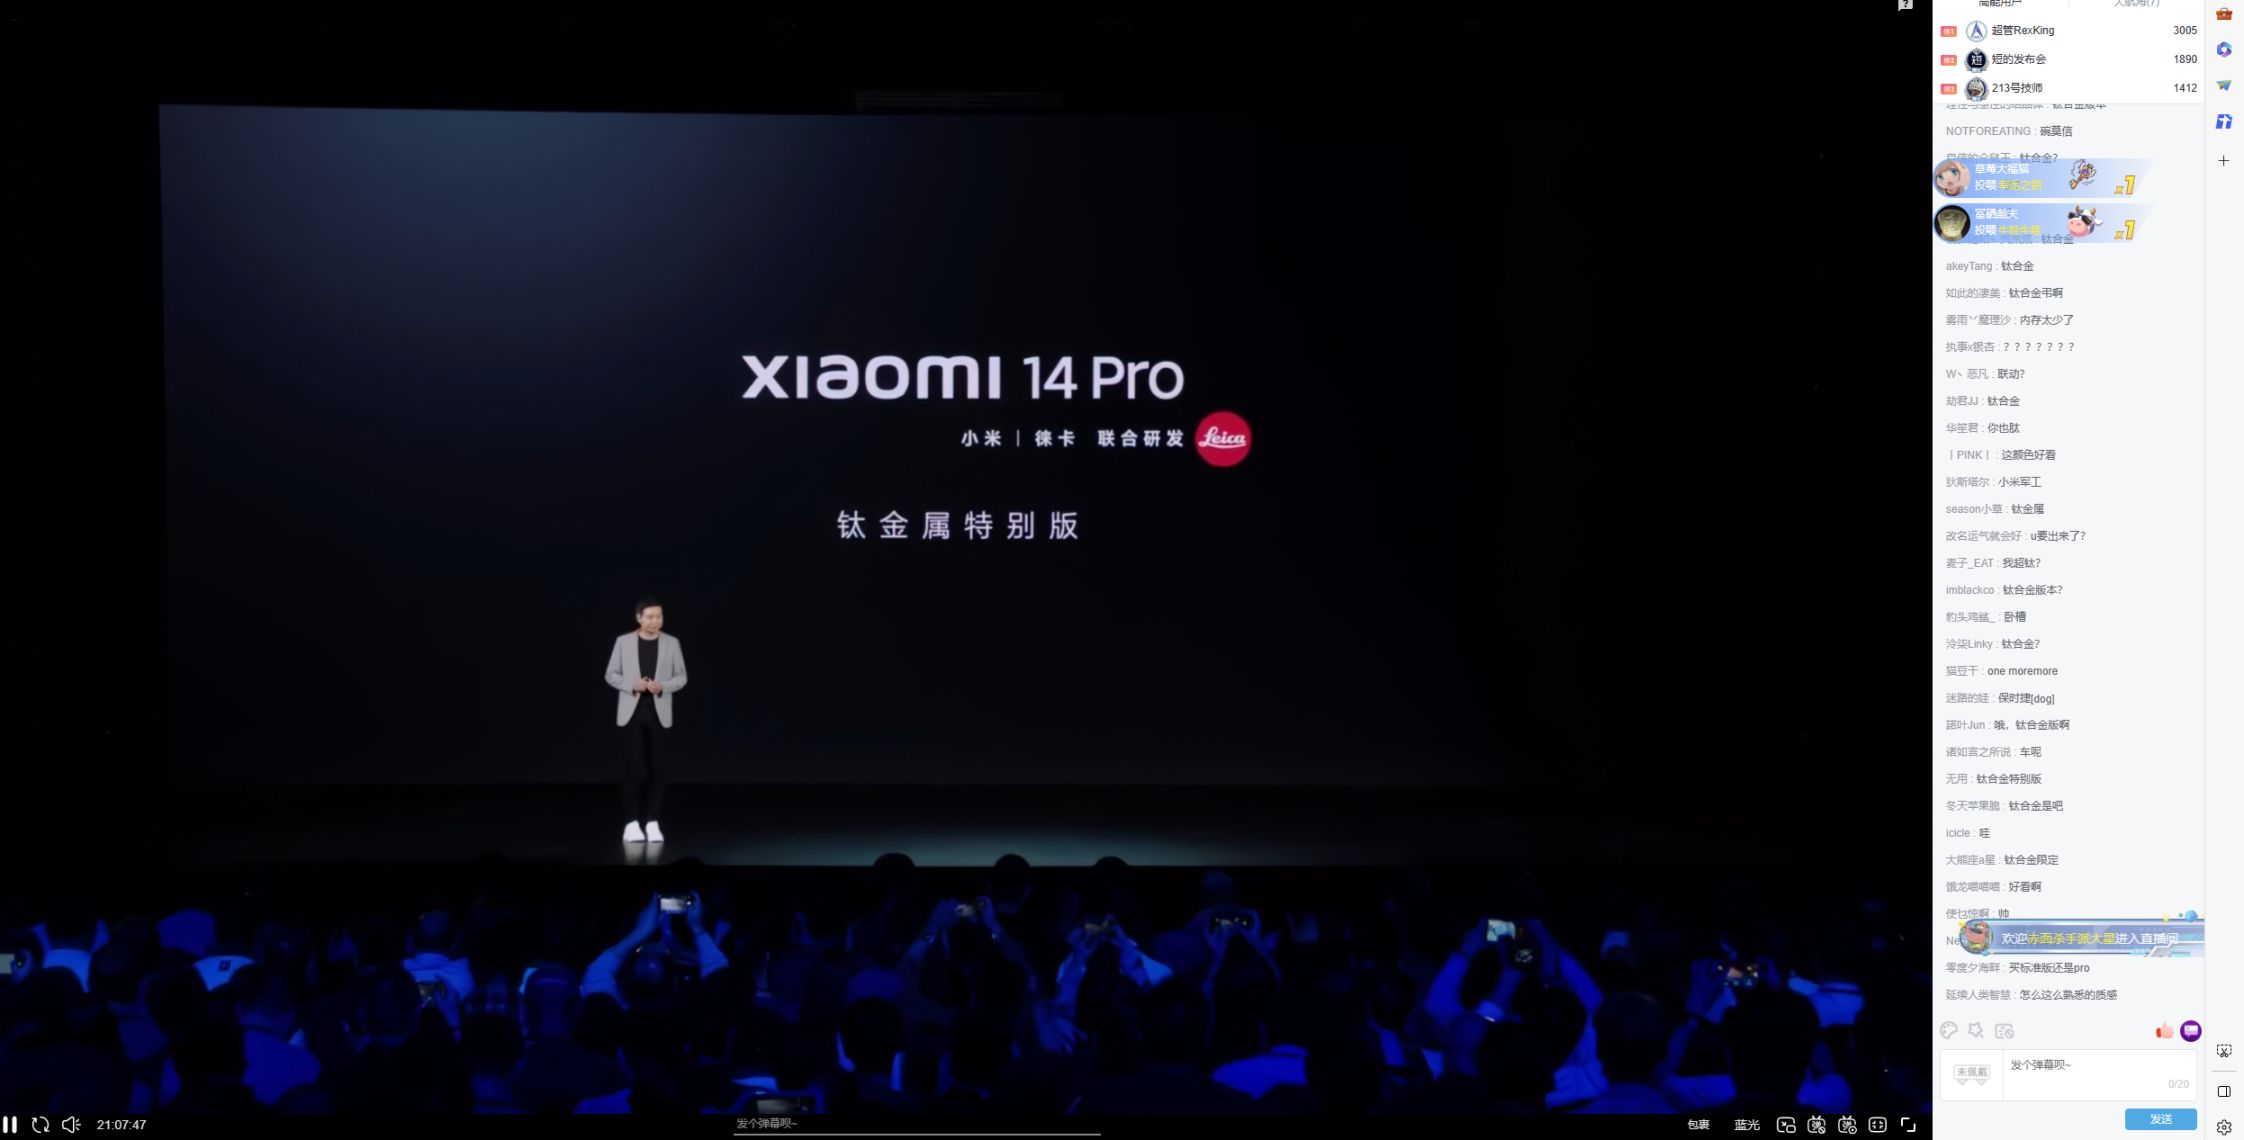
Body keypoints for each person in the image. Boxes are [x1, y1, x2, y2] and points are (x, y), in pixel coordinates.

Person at [606, 598, 688, 843]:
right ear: (639, 618)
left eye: (659, 616)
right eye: (650, 617)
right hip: (631, 712)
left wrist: (663, 686)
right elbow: (610, 674)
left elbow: (681, 677)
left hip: (659, 713)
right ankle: (631, 823)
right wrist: (633, 684)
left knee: (659, 768)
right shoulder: (623, 641)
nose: (655, 621)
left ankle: (652, 822)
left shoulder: (672, 643)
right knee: (635, 768)